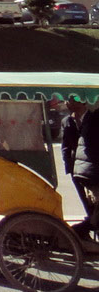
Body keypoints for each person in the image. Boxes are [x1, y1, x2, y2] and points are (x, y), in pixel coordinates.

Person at [61, 97, 99, 240]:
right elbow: (65, 147)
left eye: (70, 100)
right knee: (91, 208)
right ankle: (81, 231)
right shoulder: (67, 121)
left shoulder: (92, 118)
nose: (66, 103)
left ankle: (85, 231)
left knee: (95, 209)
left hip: (90, 169)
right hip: (82, 171)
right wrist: (70, 167)